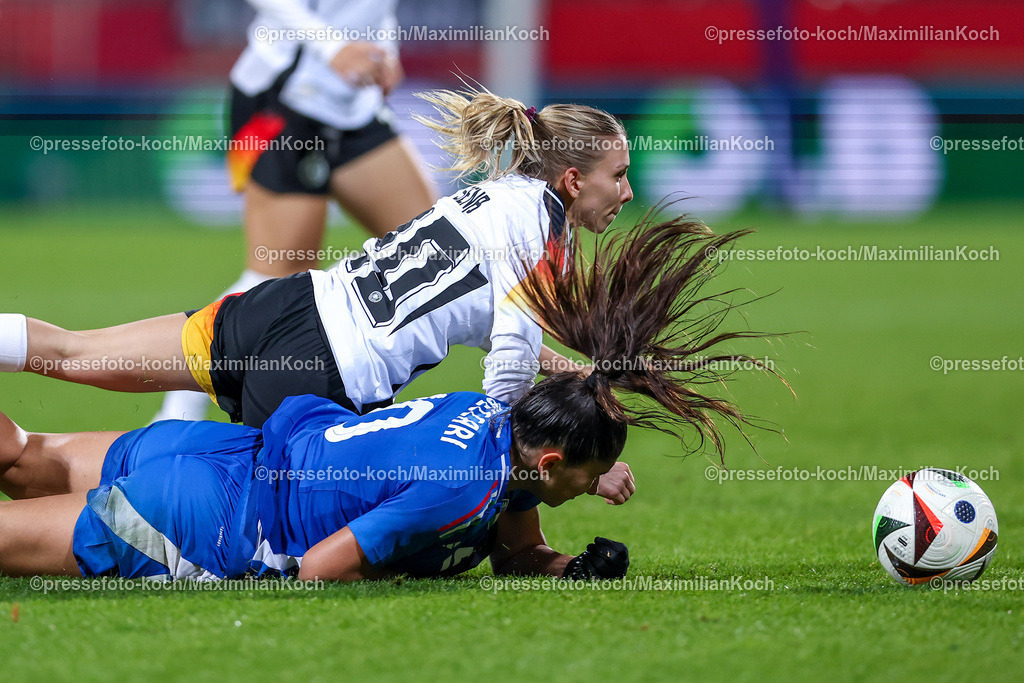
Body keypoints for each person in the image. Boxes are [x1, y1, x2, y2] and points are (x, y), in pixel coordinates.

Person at [0, 218, 774, 582]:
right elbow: (319, 569)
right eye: (587, 474)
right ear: (547, 458)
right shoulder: (467, 485)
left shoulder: (489, 426)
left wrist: (572, 566)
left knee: (23, 452)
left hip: (228, 446)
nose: (593, 489)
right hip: (203, 516)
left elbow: (515, 548)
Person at [0, 88, 634, 430]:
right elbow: (507, 373)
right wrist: (528, 461)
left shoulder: (491, 196)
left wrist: (577, 373)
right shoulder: (545, 239)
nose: (628, 193)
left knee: (73, 353)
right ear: (575, 179)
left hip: (284, 308)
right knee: (190, 505)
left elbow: (476, 317)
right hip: (320, 380)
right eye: (620, 175)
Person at [155, 0, 436, 422]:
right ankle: (178, 406)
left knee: (442, 247)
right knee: (275, 276)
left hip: (352, 107)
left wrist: (386, 51)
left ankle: (526, 391)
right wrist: (333, 47)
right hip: (282, 101)